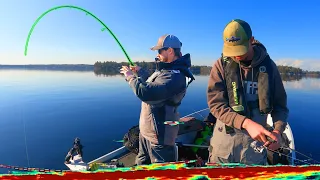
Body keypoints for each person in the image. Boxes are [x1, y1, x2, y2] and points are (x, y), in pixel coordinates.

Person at [207, 19, 289, 165]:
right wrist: (245, 123)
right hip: (223, 146)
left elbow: (280, 107)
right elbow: (215, 105)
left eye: (240, 49)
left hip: (254, 149)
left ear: (251, 40)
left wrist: (277, 132)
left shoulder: (269, 68)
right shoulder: (220, 65)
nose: (236, 55)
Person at [120, 34, 195, 165]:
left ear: (170, 51)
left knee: (160, 172)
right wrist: (140, 72)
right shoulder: (167, 70)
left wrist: (130, 77)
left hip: (160, 137)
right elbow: (155, 83)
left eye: (160, 50)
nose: (157, 54)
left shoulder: (175, 77)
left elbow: (146, 92)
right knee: (142, 166)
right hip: (147, 132)